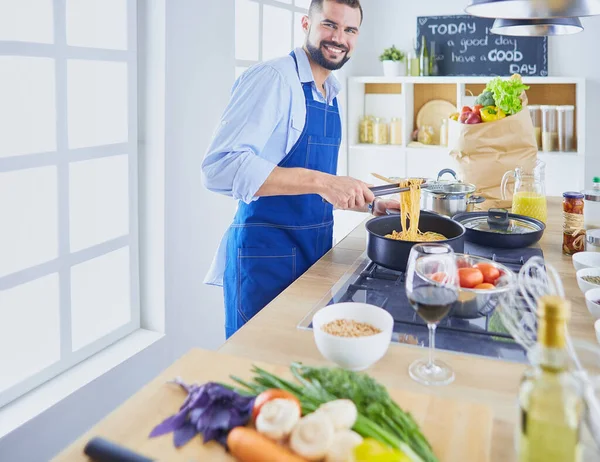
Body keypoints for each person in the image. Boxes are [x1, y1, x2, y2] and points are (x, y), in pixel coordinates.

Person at [202, 0, 399, 339]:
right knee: (258, 370)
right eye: (330, 25)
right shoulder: (274, 78)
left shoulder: (330, 92)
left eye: (349, 30)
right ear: (306, 24)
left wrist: (367, 202)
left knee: (300, 370)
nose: (339, 38)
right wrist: (324, 182)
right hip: (265, 258)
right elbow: (220, 168)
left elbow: (314, 187)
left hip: (315, 255)